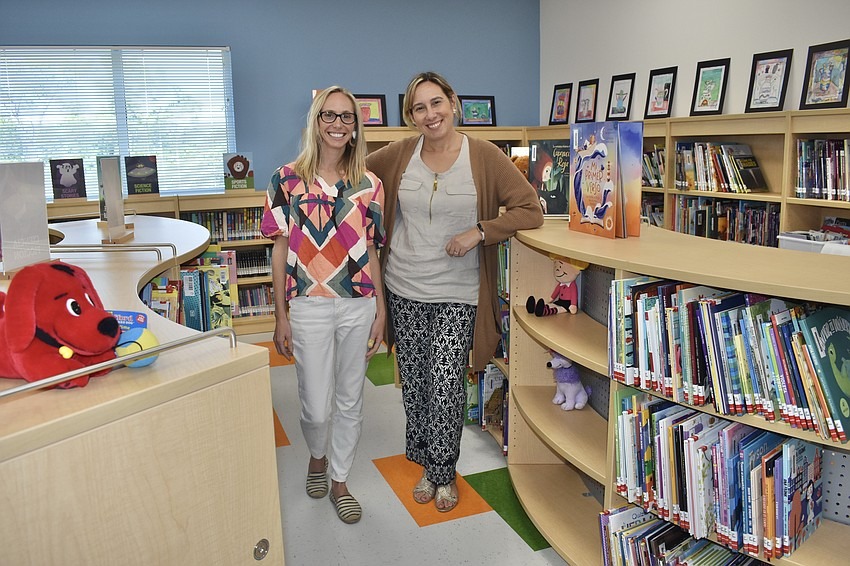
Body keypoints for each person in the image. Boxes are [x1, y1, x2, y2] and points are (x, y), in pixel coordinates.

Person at [366, 71, 544, 512]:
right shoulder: (398, 155)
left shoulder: (483, 156)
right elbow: (351, 174)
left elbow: (530, 209)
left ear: (453, 102)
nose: (430, 114)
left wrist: (481, 231)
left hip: (458, 292)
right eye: (420, 108)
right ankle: (427, 462)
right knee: (417, 386)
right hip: (403, 286)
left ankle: (443, 471)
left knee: (445, 383)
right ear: (411, 116)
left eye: (436, 103)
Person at [261, 86, 386, 524]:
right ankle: (317, 455)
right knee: (316, 404)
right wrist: (281, 315)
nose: (337, 124)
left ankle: (339, 481)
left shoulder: (370, 184)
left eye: (346, 117)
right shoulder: (285, 179)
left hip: (359, 306)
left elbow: (371, 250)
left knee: (350, 399)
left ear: (356, 127)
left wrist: (381, 312)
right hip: (308, 305)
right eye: (328, 116)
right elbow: (279, 250)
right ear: (315, 122)